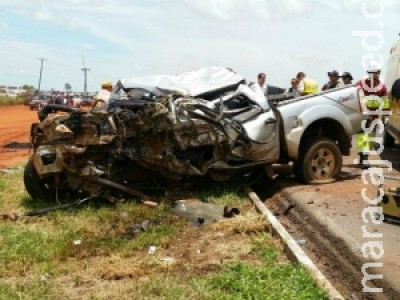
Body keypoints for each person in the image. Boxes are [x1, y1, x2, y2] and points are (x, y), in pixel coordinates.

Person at [355, 64, 389, 169]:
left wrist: (386, 115)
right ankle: (363, 158)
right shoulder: (361, 84)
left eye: (379, 72)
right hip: (363, 115)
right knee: (363, 136)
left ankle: (364, 156)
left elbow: (385, 101)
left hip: (375, 116)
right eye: (376, 72)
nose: (378, 74)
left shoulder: (382, 86)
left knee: (370, 138)